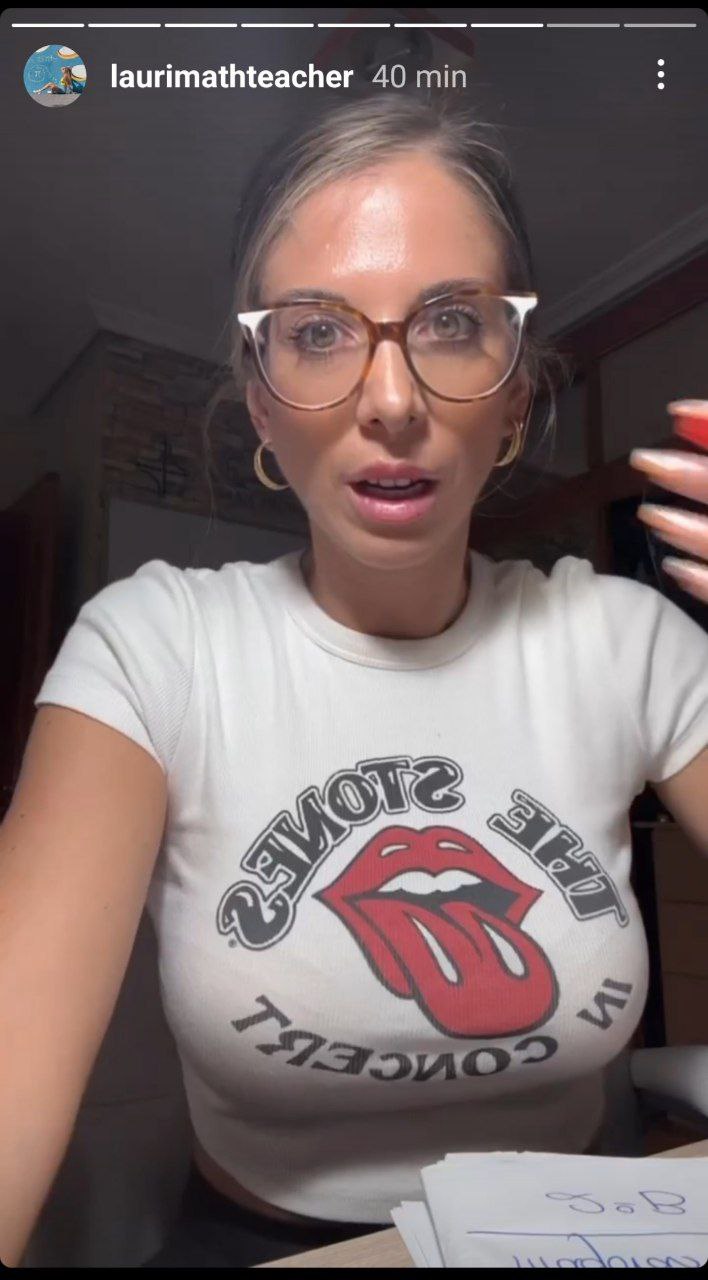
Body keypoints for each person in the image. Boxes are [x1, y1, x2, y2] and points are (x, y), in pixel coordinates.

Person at [3, 91, 707, 1270]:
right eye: (318, 332)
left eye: (452, 321)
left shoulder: (628, 640)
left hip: (593, 1230)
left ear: (515, 392)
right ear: (262, 405)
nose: (390, 400)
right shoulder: (153, 645)